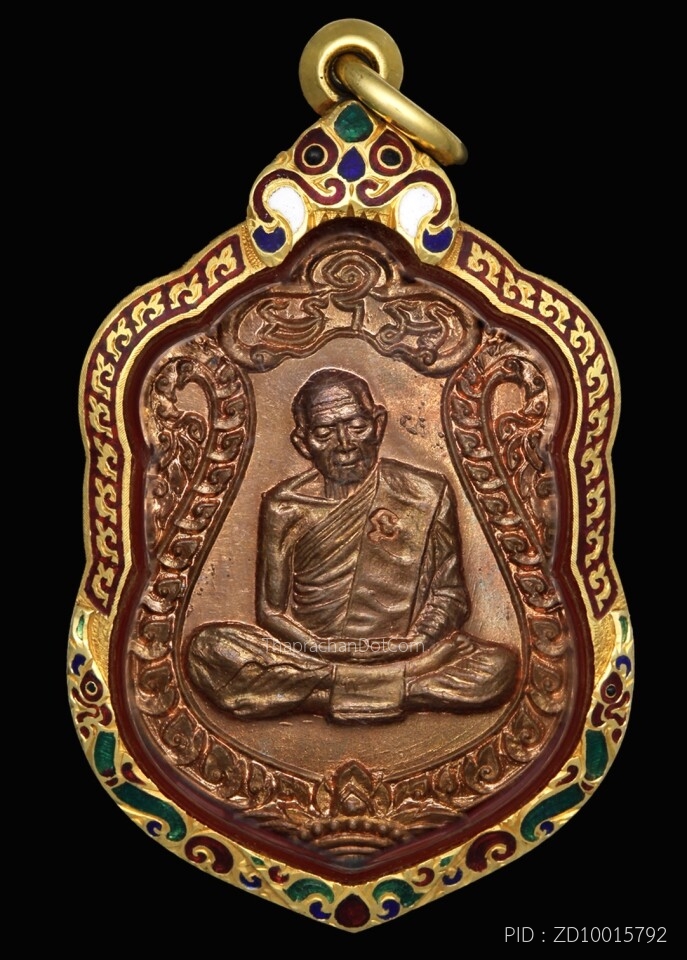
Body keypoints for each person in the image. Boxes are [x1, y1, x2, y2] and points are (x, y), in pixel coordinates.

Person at [188, 369, 518, 722]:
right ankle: (396, 689)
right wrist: (321, 647)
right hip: (312, 655)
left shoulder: (426, 492)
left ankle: (327, 693)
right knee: (210, 647)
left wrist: (417, 641)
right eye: (324, 432)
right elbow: (272, 611)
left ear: (378, 424)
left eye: (357, 426)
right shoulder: (284, 506)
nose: (345, 443)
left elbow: (449, 594)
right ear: (303, 443)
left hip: (405, 654)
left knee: (499, 666)